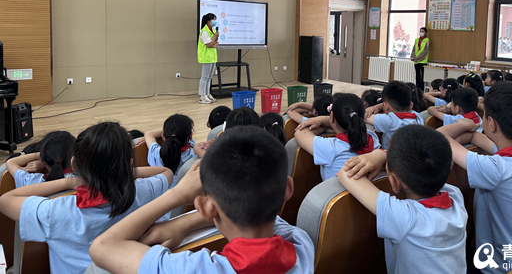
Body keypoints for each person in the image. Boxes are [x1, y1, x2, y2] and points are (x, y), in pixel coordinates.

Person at [89, 126, 315, 274]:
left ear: (207, 208)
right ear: (288, 189)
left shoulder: (194, 269)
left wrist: (177, 194)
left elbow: (102, 247)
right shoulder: (302, 245)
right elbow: (259, 208)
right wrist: (184, 223)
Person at [0, 122, 173, 274]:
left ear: (74, 166)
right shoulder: (143, 191)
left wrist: (67, 182)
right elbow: (166, 172)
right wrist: (121, 172)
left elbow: (5, 200)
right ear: (129, 163)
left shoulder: (57, 211)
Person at [438, 83, 512, 273]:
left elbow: (438, 138)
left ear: (491, 124)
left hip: (511, 268)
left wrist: (462, 125)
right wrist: (467, 136)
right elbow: (475, 138)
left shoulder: (496, 169)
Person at [337, 125, 468, 274]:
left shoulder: (406, 218)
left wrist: (379, 154)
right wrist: (387, 159)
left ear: (394, 182)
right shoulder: (454, 195)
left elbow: (345, 173)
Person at [295, 93, 380, 181]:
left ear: (331, 117)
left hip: (332, 190)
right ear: (362, 118)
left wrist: (321, 123)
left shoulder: (331, 147)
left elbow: (300, 132)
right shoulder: (373, 137)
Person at [365, 81, 424, 150]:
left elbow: (365, 116)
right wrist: (379, 107)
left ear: (386, 107)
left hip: (391, 156)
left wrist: (375, 107)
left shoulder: (389, 120)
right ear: (411, 105)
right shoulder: (417, 116)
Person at [6, 131, 75, 188]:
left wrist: (45, 155)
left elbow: (11, 162)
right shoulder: (79, 180)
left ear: (42, 161)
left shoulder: (30, 181)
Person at [145, 114, 196, 189]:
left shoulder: (157, 153)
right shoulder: (195, 154)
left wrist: (170, 133)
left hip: (160, 194)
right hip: (186, 194)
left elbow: (148, 134)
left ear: (163, 136)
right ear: (190, 136)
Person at [198, 13, 220, 104]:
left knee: (209, 77)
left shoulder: (212, 31)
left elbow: (214, 44)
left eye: (215, 19)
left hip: (212, 57)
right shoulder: (204, 31)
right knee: (205, 77)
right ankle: (202, 96)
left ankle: (207, 94)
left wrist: (215, 43)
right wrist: (215, 37)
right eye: (213, 19)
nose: (215, 21)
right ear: (208, 21)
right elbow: (208, 44)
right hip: (206, 57)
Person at [410, 27, 429, 91]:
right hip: (416, 61)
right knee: (417, 75)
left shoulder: (427, 40)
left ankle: (421, 89)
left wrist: (418, 58)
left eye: (422, 31)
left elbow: (425, 51)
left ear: (425, 33)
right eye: (420, 31)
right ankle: (417, 88)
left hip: (423, 61)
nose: (421, 32)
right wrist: (413, 57)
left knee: (422, 75)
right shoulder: (416, 40)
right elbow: (414, 49)